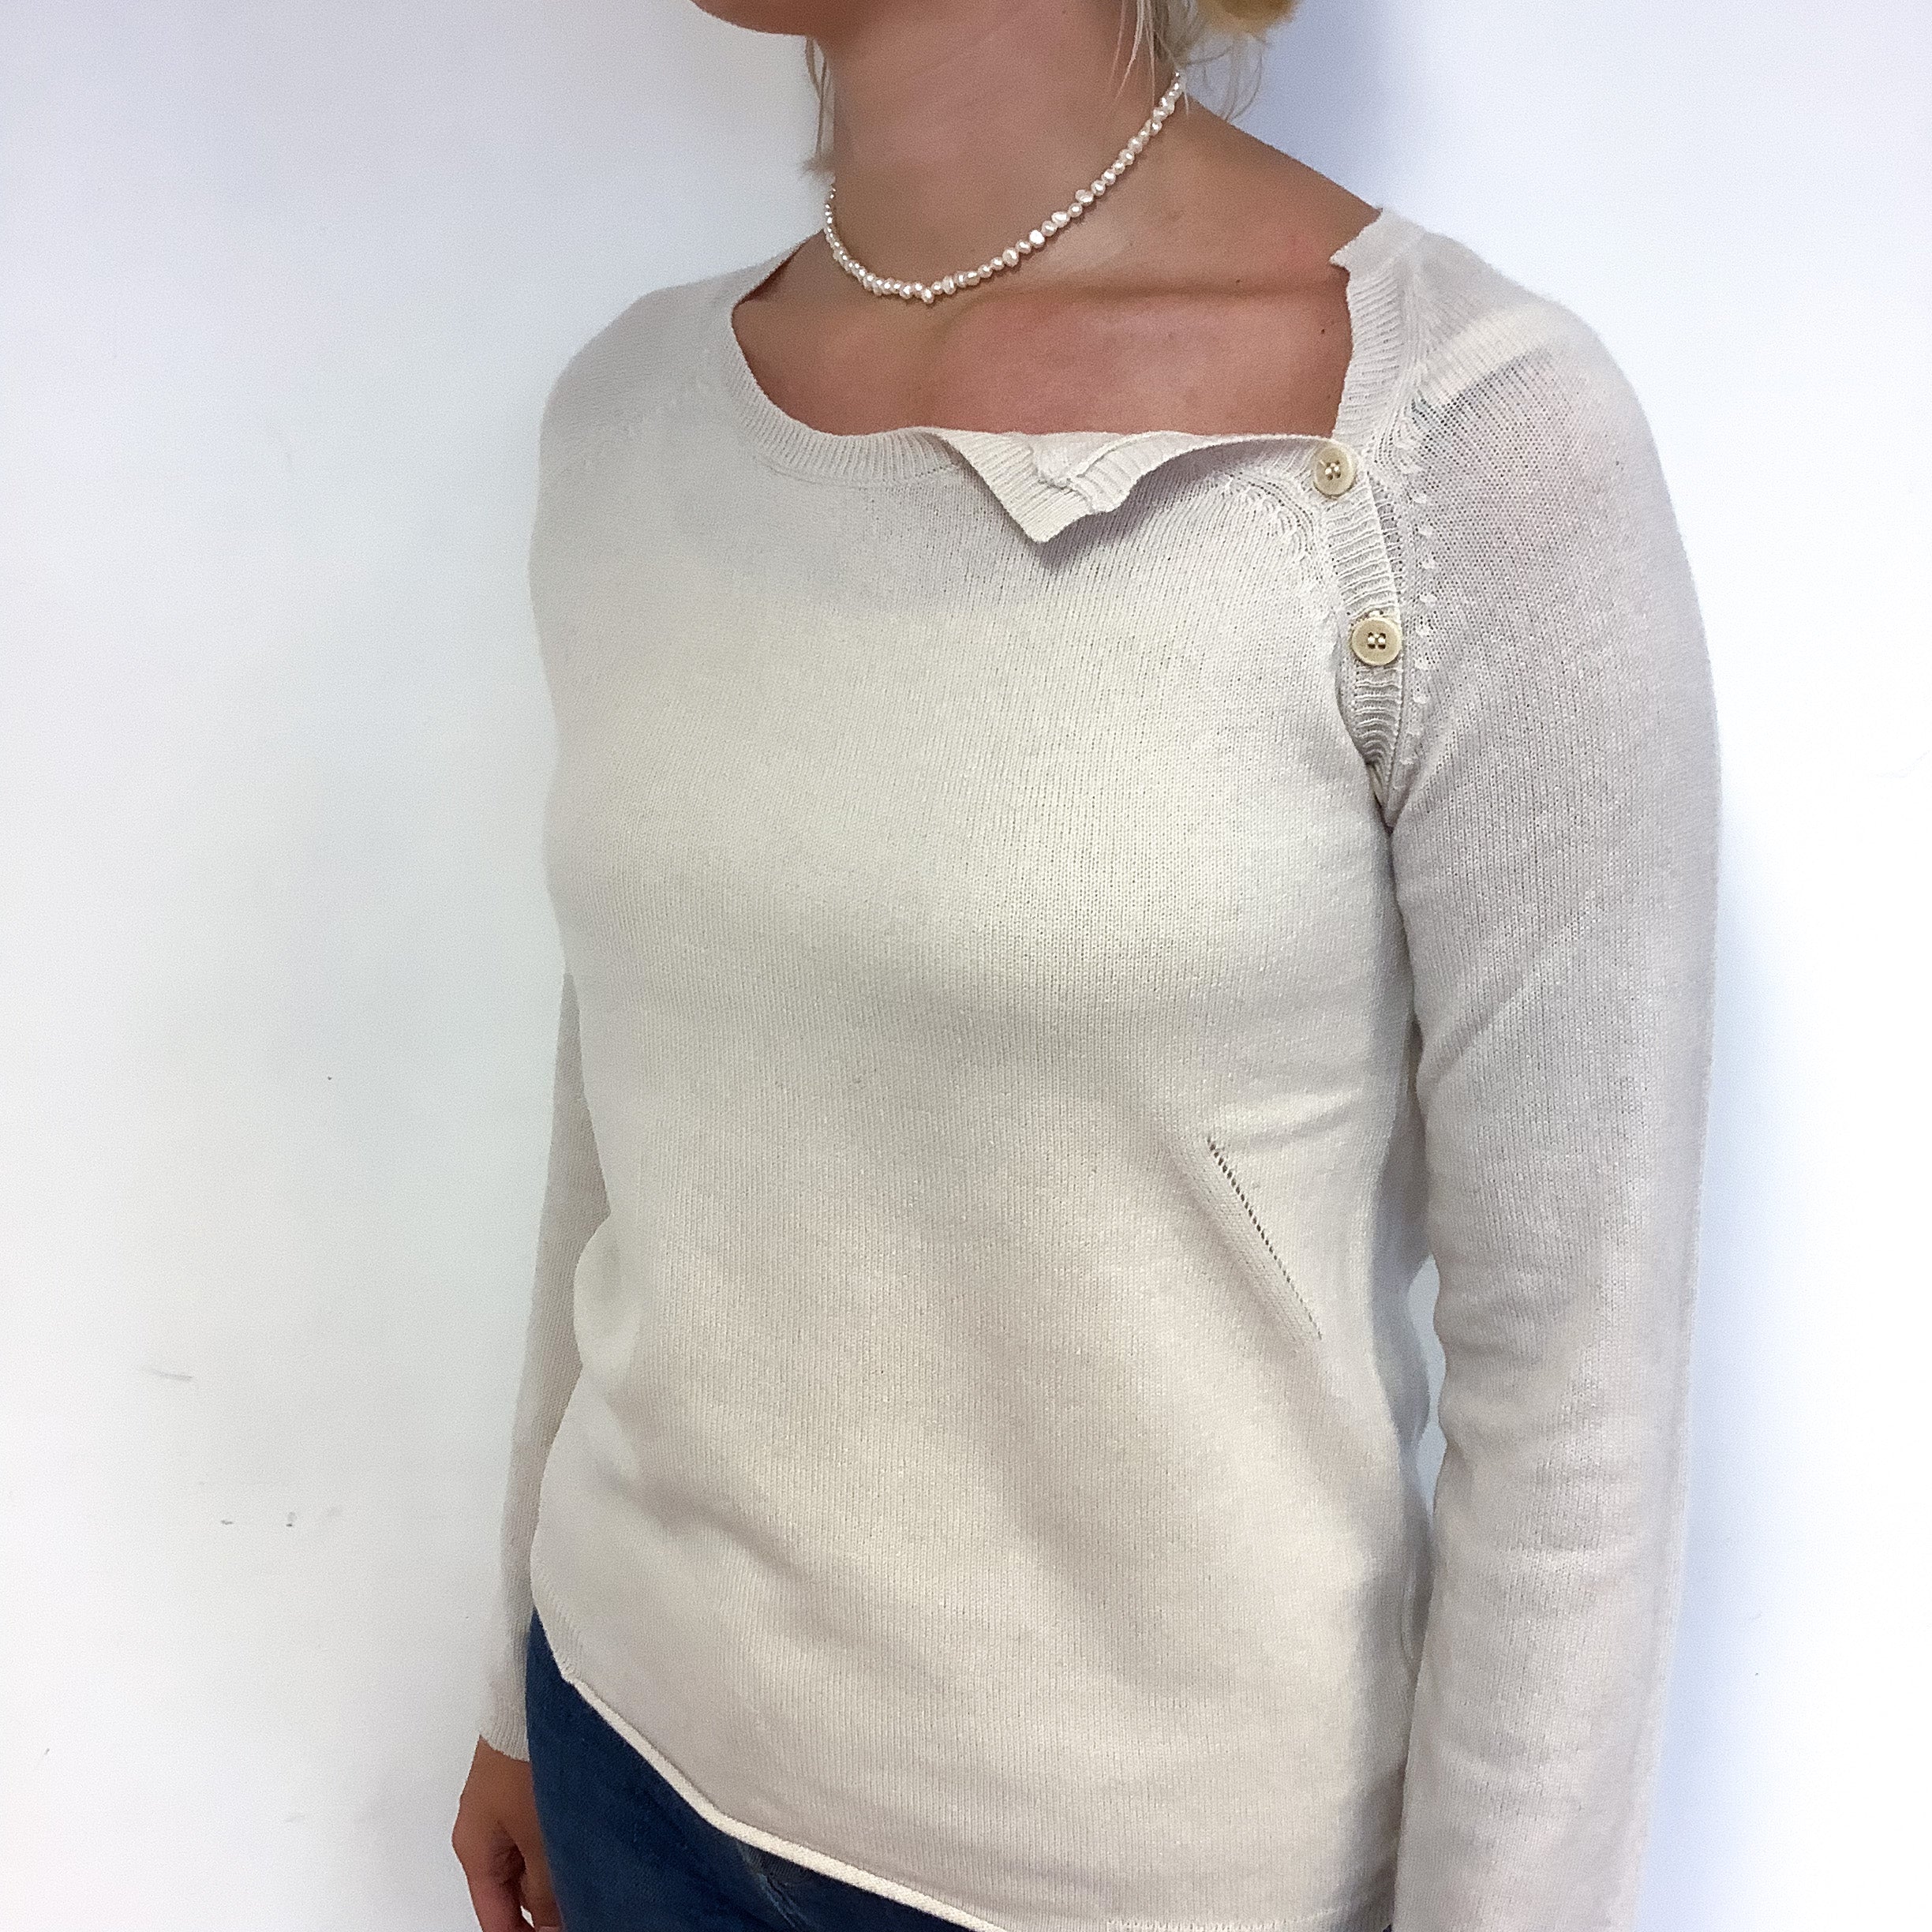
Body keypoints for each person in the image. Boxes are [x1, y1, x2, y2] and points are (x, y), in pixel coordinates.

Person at [450, 2, 1720, 1929]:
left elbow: (1573, 1376)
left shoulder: (1456, 445)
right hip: (631, 1737)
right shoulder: (630, 415)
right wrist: (514, 1686)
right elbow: (618, 1111)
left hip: (1126, 1877)